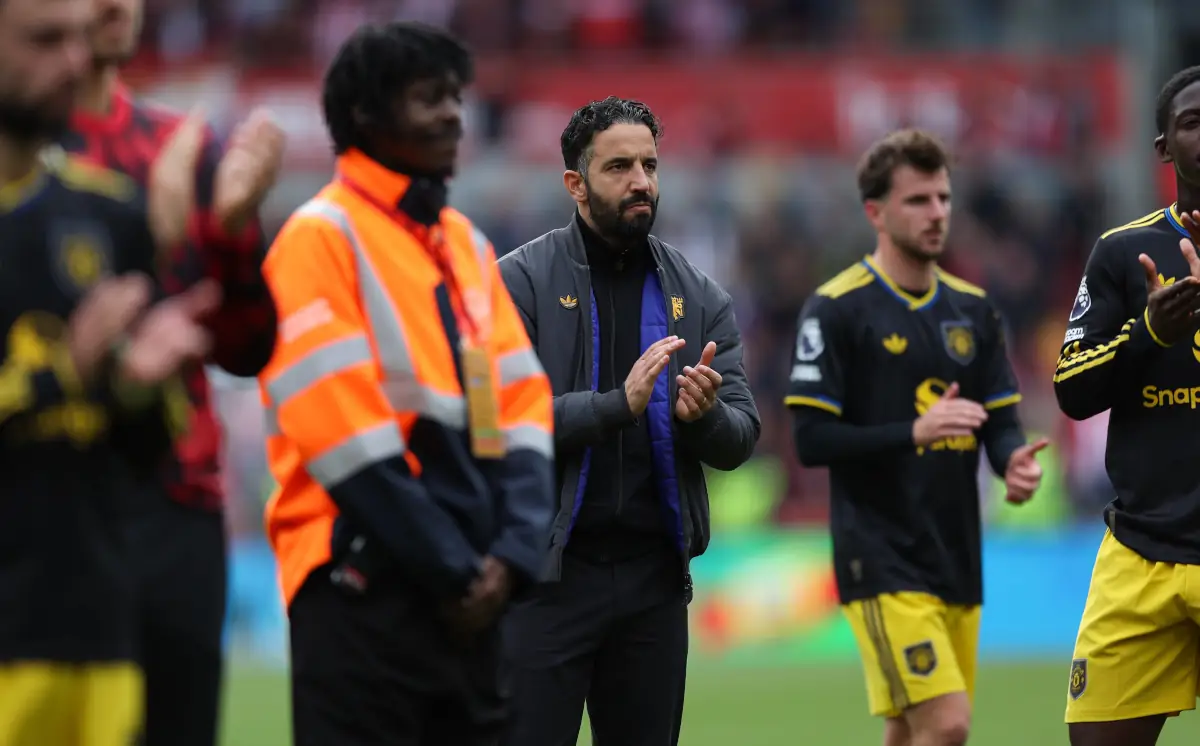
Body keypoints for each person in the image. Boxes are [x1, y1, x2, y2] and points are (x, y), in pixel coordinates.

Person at [258, 22, 555, 746]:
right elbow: (343, 436)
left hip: (469, 597)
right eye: (430, 98)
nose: (454, 115)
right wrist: (462, 570)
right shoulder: (318, 237)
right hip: (362, 592)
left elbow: (524, 404)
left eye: (456, 96)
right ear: (366, 116)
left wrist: (512, 555)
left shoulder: (465, 244)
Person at [497, 96, 761, 746]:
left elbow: (741, 437)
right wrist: (617, 405)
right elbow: (498, 425)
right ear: (575, 184)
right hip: (545, 581)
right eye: (619, 167)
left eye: (649, 165)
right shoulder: (517, 284)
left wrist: (701, 418)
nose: (641, 181)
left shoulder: (700, 295)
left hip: (653, 586)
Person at [59, 0, 284, 742]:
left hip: (176, 502)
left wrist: (232, 233)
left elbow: (246, 349)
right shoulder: (24, 149)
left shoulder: (178, 145)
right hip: (49, 499)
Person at [0, 0, 220, 742]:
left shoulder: (111, 216)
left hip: (97, 642)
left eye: (76, 38)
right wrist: (63, 373)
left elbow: (142, 453)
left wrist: (136, 392)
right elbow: (61, 380)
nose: (75, 61)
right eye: (43, 41)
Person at [787, 129, 1047, 746]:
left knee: (910, 730)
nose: (936, 214)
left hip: (956, 553)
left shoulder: (974, 311)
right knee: (947, 723)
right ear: (876, 212)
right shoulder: (836, 309)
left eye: (943, 198)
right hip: (880, 554)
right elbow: (812, 440)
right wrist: (914, 432)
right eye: (918, 201)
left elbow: (999, 420)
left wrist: (1012, 461)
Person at [1055, 65, 1200, 746]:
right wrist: (1150, 332)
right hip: (1141, 551)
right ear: (1164, 147)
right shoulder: (1121, 252)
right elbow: (1073, 390)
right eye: (1194, 123)